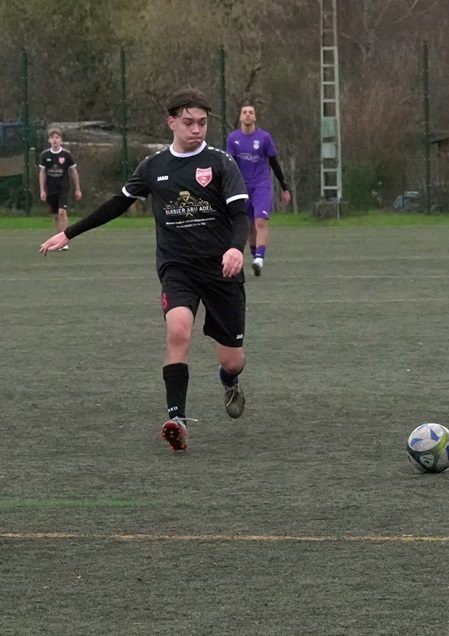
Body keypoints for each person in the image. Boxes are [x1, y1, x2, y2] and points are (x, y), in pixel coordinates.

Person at [39, 86, 251, 452]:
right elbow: (117, 204)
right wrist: (68, 232)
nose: (196, 129)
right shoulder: (154, 167)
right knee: (178, 331)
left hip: (221, 269)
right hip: (177, 267)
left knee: (232, 360)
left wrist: (235, 248)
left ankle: (229, 381)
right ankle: (176, 420)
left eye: (202, 123)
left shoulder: (220, 163)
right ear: (171, 123)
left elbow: (240, 215)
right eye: (188, 122)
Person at [226, 103, 291, 277]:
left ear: (254, 117)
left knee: (260, 221)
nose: (248, 114)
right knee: (249, 226)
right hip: (242, 187)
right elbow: (230, 165)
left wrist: (284, 188)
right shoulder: (233, 139)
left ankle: (260, 259)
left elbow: (274, 164)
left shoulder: (264, 138)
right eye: (244, 112)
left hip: (261, 185)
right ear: (240, 117)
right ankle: (256, 258)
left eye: (251, 112)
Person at [38, 128, 82, 250]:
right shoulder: (45, 156)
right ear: (49, 140)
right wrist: (42, 190)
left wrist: (77, 189)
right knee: (56, 216)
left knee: (62, 212)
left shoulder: (66, 155)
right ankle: (58, 240)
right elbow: (42, 173)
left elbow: (73, 172)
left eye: (57, 137)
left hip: (63, 188)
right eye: (52, 138)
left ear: (61, 140)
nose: (55, 140)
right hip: (51, 189)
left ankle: (65, 239)